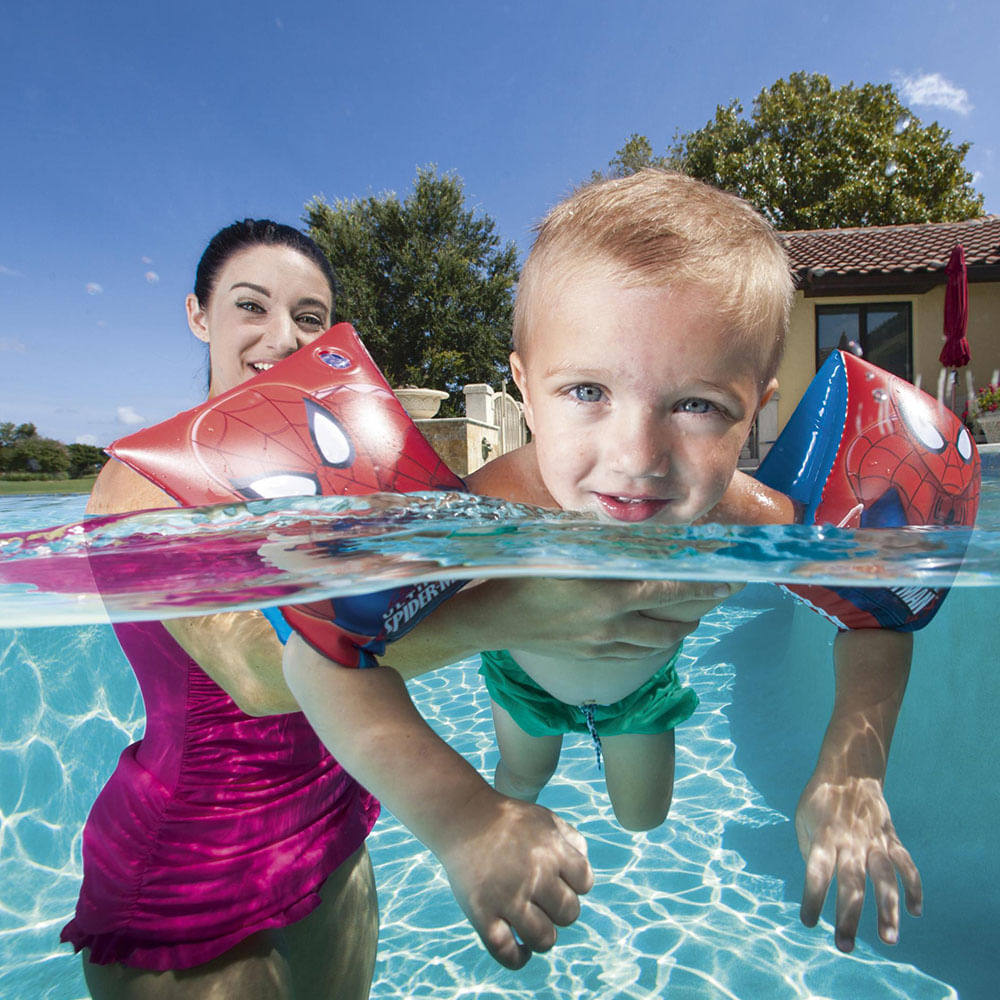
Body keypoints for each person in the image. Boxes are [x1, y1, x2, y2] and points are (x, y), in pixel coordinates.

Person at [66, 218, 736, 999]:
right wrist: (518, 616)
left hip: (334, 836)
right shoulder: (142, 480)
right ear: (197, 315)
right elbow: (256, 672)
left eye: (310, 317)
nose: (282, 338)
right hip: (192, 864)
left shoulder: (343, 477)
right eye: (251, 307)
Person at [284, 172, 921, 958]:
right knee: (517, 781)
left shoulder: (748, 517)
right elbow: (318, 661)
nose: (635, 459)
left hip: (641, 687)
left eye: (697, 405)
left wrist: (852, 771)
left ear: (758, 404)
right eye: (587, 389)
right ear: (524, 386)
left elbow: (879, 613)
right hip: (523, 683)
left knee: (644, 818)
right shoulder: (486, 512)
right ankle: (513, 802)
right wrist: (467, 820)